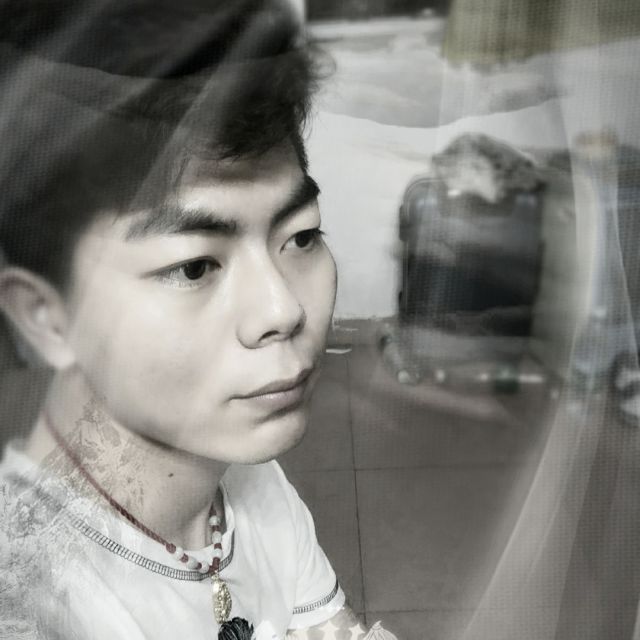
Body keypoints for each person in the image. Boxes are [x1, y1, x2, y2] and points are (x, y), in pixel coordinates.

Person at [0, 1, 396, 638]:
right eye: (193, 268)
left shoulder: (246, 480)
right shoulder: (29, 604)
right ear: (47, 317)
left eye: (301, 236)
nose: (284, 310)